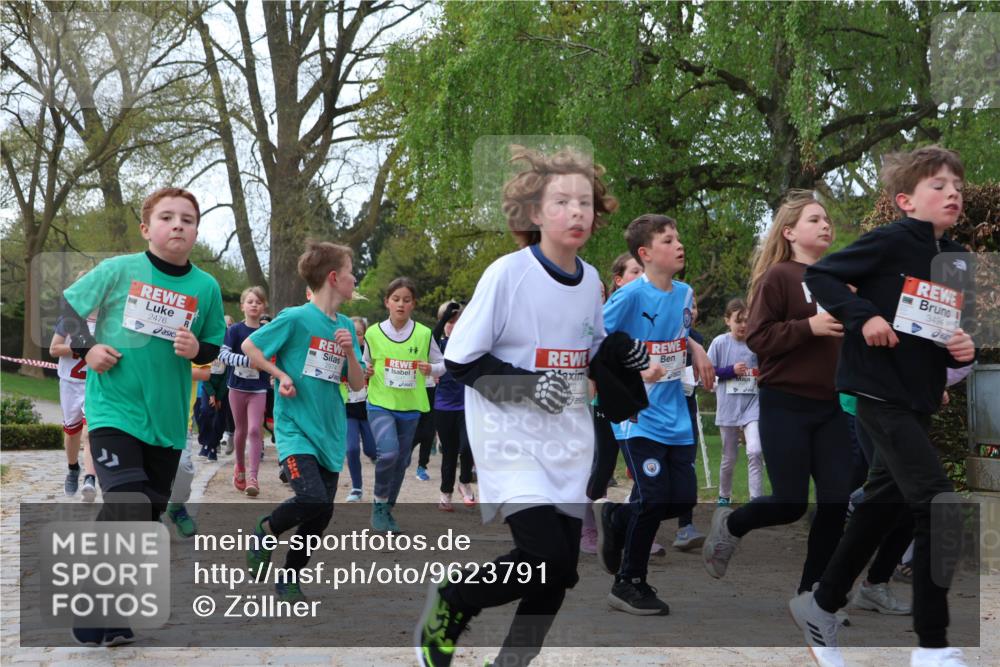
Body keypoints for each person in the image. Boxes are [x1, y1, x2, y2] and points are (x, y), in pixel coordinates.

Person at [416, 145, 648, 666]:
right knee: (546, 557)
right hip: (510, 441)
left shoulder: (590, 280)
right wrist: (528, 387)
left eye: (585, 202)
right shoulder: (508, 274)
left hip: (567, 442)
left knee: (560, 570)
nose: (576, 212)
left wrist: (617, 354)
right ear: (536, 213)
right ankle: (453, 600)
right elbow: (460, 361)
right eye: (562, 201)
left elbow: (588, 353)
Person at [791, 146, 976, 667]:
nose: (953, 192)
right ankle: (933, 646)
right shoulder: (890, 241)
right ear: (905, 200)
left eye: (957, 185)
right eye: (938, 185)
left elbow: (939, 331)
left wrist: (960, 347)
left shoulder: (957, 259)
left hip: (917, 399)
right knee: (939, 503)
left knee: (876, 511)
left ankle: (820, 605)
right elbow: (821, 276)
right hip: (876, 392)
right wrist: (863, 316)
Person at [62, 187, 226, 646]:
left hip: (169, 421)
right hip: (115, 407)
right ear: (146, 228)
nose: (178, 225)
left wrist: (199, 349)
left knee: (143, 521)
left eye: (188, 219)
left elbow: (215, 342)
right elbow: (68, 308)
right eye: (167, 217)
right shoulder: (119, 270)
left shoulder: (205, 287)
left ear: (196, 231)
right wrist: (87, 348)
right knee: (126, 500)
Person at [702, 191, 853, 600]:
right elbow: (759, 338)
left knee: (836, 502)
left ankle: (813, 597)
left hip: (832, 406)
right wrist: (810, 327)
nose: (825, 225)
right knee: (789, 503)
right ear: (789, 232)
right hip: (785, 403)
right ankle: (731, 525)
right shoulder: (779, 277)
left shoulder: (837, 277)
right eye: (814, 219)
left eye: (826, 219)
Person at [594, 213, 715, 615]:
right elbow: (596, 342)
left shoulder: (684, 292)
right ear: (645, 254)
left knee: (681, 498)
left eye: (678, 238)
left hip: (675, 413)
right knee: (653, 496)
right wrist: (638, 365)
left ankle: (616, 520)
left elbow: (678, 336)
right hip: (636, 414)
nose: (678, 245)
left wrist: (695, 349)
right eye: (667, 240)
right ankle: (629, 582)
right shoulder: (629, 296)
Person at [243, 240, 364, 603]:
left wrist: (348, 351)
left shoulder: (344, 326)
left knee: (321, 513)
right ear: (333, 277)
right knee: (311, 499)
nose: (354, 278)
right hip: (295, 428)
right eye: (349, 272)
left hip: (330, 431)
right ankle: (265, 528)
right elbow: (250, 348)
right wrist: (279, 375)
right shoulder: (296, 319)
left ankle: (289, 579)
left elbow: (357, 384)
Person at [363, 278, 445, 532]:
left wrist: (431, 368)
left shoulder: (423, 334)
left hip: (410, 407)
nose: (400, 304)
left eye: (406, 300)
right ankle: (378, 506)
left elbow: (444, 363)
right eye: (396, 299)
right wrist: (365, 370)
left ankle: (387, 508)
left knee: (401, 461)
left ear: (413, 304)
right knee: (388, 453)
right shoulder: (373, 333)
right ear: (387, 302)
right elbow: (365, 362)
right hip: (380, 403)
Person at [706, 298, 764, 504]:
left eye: (747, 321)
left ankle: (756, 500)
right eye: (738, 321)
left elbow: (768, 368)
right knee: (729, 459)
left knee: (755, 450)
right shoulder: (720, 343)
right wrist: (730, 371)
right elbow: (708, 371)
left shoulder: (757, 343)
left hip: (752, 406)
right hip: (729, 407)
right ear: (727, 321)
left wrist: (761, 375)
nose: (743, 325)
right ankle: (724, 496)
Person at [219, 286, 271, 496]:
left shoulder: (266, 331)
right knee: (240, 430)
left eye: (258, 302)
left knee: (254, 430)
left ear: (263, 306)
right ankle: (239, 466)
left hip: (259, 389)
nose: (254, 305)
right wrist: (250, 361)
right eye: (250, 302)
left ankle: (253, 476)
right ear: (242, 306)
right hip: (237, 388)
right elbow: (223, 356)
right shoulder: (234, 331)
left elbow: (273, 354)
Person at [49, 293, 98, 502]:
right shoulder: (68, 321)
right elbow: (54, 349)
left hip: (94, 384)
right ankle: (73, 468)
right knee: (72, 433)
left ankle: (90, 479)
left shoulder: (107, 321)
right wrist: (79, 347)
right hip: (70, 383)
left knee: (91, 432)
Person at [432, 300, 476, 511]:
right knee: (449, 452)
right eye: (449, 321)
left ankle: (465, 481)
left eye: (457, 320)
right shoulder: (439, 345)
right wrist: (444, 319)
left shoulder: (470, 343)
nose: (453, 325)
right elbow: (431, 338)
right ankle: (445, 493)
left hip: (467, 405)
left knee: (467, 448)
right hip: (444, 406)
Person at [343, 316, 377, 502]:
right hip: (348, 409)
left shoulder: (370, 354)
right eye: (351, 333)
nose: (355, 337)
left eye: (359, 333)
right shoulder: (340, 353)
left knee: (371, 450)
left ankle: (374, 456)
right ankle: (356, 488)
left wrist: (371, 373)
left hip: (368, 409)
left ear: (364, 336)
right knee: (352, 448)